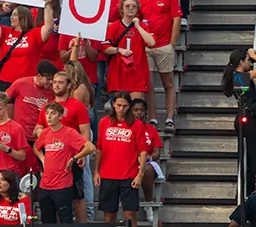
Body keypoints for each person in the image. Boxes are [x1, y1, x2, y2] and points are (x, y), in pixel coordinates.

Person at [33, 102, 95, 224]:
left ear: (60, 116)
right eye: (47, 113)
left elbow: (90, 147)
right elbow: (36, 146)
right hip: (45, 185)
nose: (49, 117)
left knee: (65, 221)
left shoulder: (69, 132)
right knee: (47, 221)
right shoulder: (45, 132)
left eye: (53, 113)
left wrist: (75, 158)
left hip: (62, 185)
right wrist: (42, 158)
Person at [94, 92, 149, 226]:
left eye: (124, 106)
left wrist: (140, 174)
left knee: (130, 215)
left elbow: (143, 151)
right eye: (118, 105)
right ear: (113, 104)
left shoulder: (137, 125)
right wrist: (96, 171)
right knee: (108, 214)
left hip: (129, 175)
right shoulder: (104, 122)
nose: (121, 109)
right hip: (108, 175)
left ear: (129, 106)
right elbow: (99, 147)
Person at [138, 0, 181, 134]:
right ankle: (154, 118)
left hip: (163, 44)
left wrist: (172, 43)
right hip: (147, 46)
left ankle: (170, 118)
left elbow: (176, 19)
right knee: (148, 84)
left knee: (168, 83)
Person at [0, 0, 55, 90]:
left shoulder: (34, 34)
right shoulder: (6, 32)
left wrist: (48, 5)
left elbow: (49, 26)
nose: (11, 17)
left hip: (26, 83)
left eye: (15, 15)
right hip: (5, 81)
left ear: (24, 17)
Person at [221, 48, 256, 195]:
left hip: (248, 119)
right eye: (247, 60)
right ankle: (250, 191)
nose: (250, 62)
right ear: (241, 62)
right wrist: (254, 55)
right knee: (255, 158)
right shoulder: (238, 77)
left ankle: (251, 189)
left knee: (252, 157)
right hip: (248, 120)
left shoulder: (241, 78)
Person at [103, 0, 156, 98]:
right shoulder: (115, 26)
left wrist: (138, 27)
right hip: (119, 71)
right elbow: (105, 48)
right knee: (120, 107)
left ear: (137, 9)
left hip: (136, 71)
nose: (131, 8)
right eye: (127, 6)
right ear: (122, 8)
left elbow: (151, 43)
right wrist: (119, 50)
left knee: (136, 106)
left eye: (134, 6)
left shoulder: (142, 26)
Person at [131, 98, 164, 222]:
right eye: (135, 110)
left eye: (142, 110)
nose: (139, 113)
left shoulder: (150, 129)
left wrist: (147, 158)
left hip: (147, 161)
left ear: (146, 112)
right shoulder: (126, 128)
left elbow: (157, 152)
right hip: (129, 161)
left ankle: (148, 204)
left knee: (148, 168)